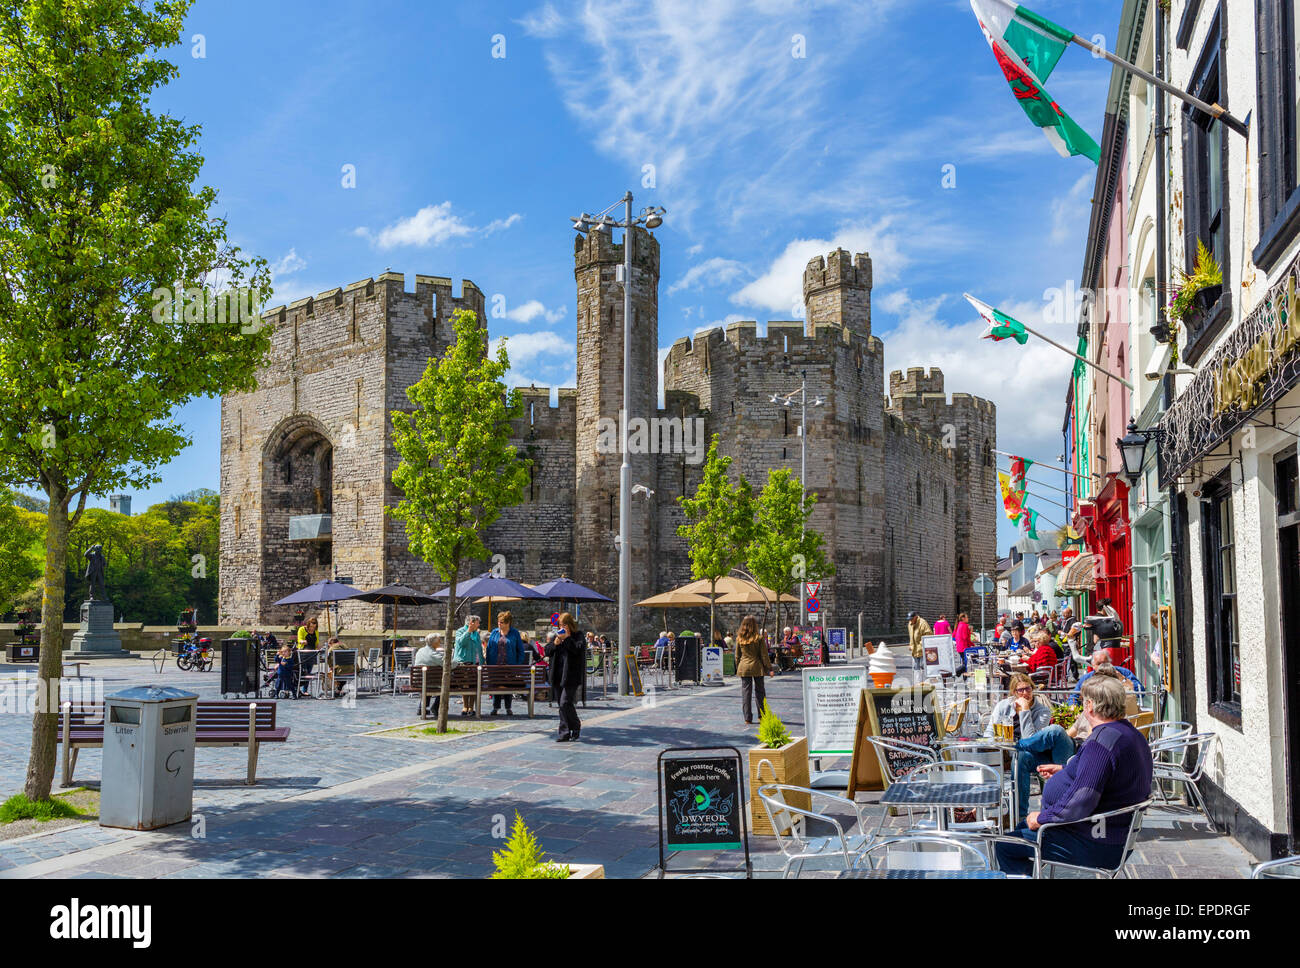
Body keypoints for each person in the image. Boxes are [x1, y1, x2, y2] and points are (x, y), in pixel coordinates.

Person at [995, 676, 1153, 876]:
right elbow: (1108, 774)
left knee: (1006, 844)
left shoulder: (1101, 743)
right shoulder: (1131, 734)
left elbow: (1081, 801)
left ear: (1089, 706)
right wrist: (1065, 770)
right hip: (1112, 835)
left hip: (1095, 841)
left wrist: (1042, 818)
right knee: (1020, 828)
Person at [985, 673, 1075, 820]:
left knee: (1024, 752)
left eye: (1028, 689)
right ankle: (1019, 816)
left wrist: (1025, 710)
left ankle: (1017, 747)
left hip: (1040, 754)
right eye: (1020, 690)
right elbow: (989, 732)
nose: (1025, 693)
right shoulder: (1003, 706)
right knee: (1020, 758)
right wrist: (1000, 746)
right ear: (1014, 693)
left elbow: (1031, 741)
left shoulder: (1043, 711)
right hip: (1013, 753)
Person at [548, 612, 585, 741]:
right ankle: (564, 732)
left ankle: (575, 725)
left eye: (564, 625)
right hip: (558, 674)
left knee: (565, 702)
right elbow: (547, 650)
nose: (562, 628)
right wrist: (555, 644)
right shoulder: (557, 636)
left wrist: (568, 638)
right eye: (560, 625)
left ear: (570, 625)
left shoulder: (578, 636)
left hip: (571, 675)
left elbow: (578, 649)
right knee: (561, 704)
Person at [734, 615, 773, 725]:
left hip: (744, 667)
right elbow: (764, 656)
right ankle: (762, 716)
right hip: (757, 667)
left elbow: (737, 656)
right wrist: (769, 668)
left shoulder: (739, 638)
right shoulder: (759, 638)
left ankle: (747, 718)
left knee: (746, 693)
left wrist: (739, 668)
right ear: (754, 625)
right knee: (760, 692)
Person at [486, 611, 526, 716]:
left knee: (508, 686)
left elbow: (520, 651)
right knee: (496, 686)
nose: (499, 624)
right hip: (496, 665)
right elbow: (489, 649)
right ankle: (495, 707)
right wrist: (489, 665)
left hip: (510, 666)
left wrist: (517, 665)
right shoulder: (494, 632)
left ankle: (508, 707)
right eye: (498, 622)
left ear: (508, 623)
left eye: (502, 622)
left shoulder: (514, 633)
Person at [1070, 648, 1143, 703]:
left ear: (1110, 662)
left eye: (1105, 663)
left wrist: (1122, 679)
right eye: (1099, 664)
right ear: (1093, 665)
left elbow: (1141, 692)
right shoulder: (1087, 678)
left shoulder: (1123, 672)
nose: (1102, 667)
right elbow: (1074, 697)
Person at [414, 633, 456, 718]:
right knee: (445, 683)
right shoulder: (434, 655)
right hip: (432, 682)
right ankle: (435, 707)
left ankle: (422, 707)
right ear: (434, 643)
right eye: (439, 641)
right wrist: (457, 661)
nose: (440, 642)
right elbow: (450, 665)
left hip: (419, 681)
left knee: (428, 680)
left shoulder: (420, 651)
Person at [453, 614, 485, 716]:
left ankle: (471, 707)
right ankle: (465, 706)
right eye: (477, 622)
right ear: (471, 623)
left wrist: (482, 661)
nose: (479, 624)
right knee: (465, 685)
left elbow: (479, 649)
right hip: (464, 662)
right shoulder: (460, 631)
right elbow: (461, 643)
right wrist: (468, 632)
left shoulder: (476, 634)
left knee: (474, 685)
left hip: (475, 663)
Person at [907, 612, 932, 678]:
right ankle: (917, 684)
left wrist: (921, 644)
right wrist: (911, 644)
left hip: (923, 650)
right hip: (914, 650)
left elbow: (928, 635)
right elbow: (911, 636)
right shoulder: (910, 624)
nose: (910, 620)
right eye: (909, 619)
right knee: (916, 668)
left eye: (911, 619)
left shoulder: (923, 623)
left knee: (924, 666)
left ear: (915, 617)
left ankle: (926, 683)